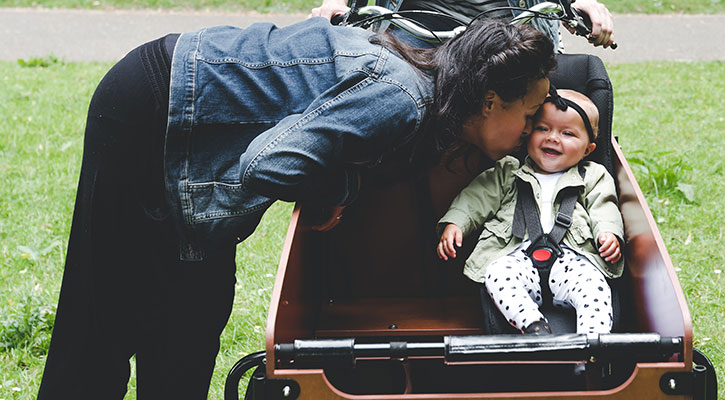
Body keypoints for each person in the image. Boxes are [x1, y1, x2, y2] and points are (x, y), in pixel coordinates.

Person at [37, 17, 555, 399]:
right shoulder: (403, 96)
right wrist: (332, 191)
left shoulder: (432, 100)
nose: (534, 130)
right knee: (104, 312)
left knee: (193, 315)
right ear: (490, 100)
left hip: (190, 121)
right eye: (531, 113)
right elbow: (268, 163)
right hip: (156, 100)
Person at [436, 89, 623, 335]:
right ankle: (533, 326)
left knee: (593, 285)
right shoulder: (508, 171)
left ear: (588, 149)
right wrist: (456, 223)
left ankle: (593, 339)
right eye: (543, 129)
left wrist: (608, 233)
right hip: (516, 254)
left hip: (573, 258)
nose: (553, 138)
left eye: (567, 133)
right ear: (527, 134)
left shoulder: (592, 175)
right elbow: (476, 198)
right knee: (497, 274)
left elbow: (604, 206)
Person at [310, 0, 615, 51]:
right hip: (410, 33)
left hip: (509, 32)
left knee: (585, 80)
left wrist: (581, 4)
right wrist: (334, 4)